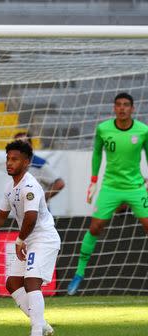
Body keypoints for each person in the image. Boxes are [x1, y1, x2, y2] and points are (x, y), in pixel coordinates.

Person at [68, 92, 148, 295]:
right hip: (110, 187)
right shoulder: (103, 129)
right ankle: (79, 273)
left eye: (126, 105)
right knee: (95, 227)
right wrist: (93, 181)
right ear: (114, 108)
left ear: (132, 108)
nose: (122, 108)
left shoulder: (143, 130)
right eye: (119, 105)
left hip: (135, 187)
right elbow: (96, 153)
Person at [0, 140, 58, 336]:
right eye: (8, 158)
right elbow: (1, 214)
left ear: (27, 162)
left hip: (43, 238)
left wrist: (19, 240)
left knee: (31, 281)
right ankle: (41, 324)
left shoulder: (30, 185)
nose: (9, 163)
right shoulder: (10, 186)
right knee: (13, 283)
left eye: (15, 159)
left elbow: (31, 217)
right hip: (29, 239)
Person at [13, 131, 65, 207]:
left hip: (39, 214)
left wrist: (42, 199)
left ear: (30, 146)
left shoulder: (39, 164)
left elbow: (59, 183)